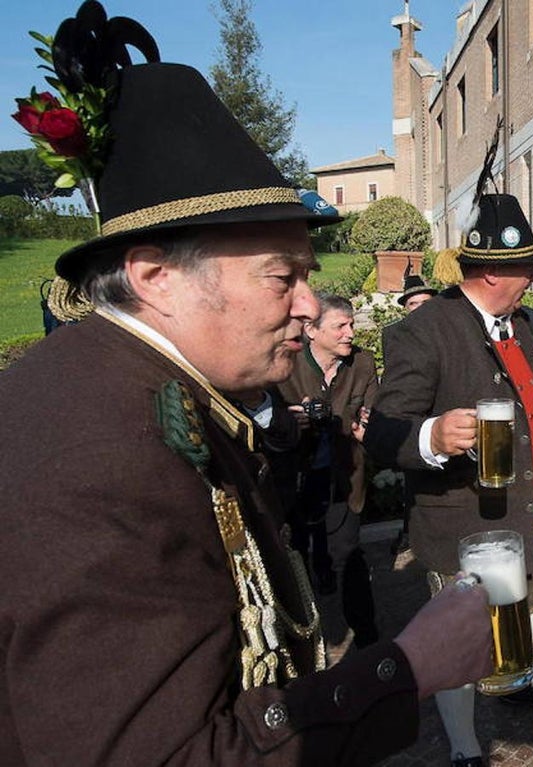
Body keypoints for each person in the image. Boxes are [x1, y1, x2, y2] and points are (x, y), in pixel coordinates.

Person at [0, 4, 492, 763]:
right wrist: (406, 667)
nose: (310, 303)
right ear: (157, 276)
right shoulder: (97, 453)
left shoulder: (136, 387)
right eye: (282, 276)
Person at [359, 187, 533, 767]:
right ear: (492, 274)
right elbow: (383, 431)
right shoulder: (424, 329)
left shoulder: (524, 324)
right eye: (527, 267)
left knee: (525, 612)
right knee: (458, 642)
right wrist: (431, 435)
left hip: (526, 513)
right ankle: (463, 745)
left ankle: (519, 682)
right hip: (465, 527)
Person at [278, 293, 381, 655]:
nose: (350, 333)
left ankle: (368, 638)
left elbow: (373, 411)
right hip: (296, 480)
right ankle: (301, 645)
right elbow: (261, 420)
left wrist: (369, 425)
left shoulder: (363, 364)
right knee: (296, 557)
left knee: (350, 553)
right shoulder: (284, 366)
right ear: (311, 330)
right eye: (340, 325)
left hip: (344, 476)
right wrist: (288, 423)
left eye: (351, 324)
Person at [390, 271, 438, 556]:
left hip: (444, 414)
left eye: (425, 302)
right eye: (413, 304)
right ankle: (410, 529)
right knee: (413, 479)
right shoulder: (393, 334)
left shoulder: (449, 331)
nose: (420, 309)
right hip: (413, 417)